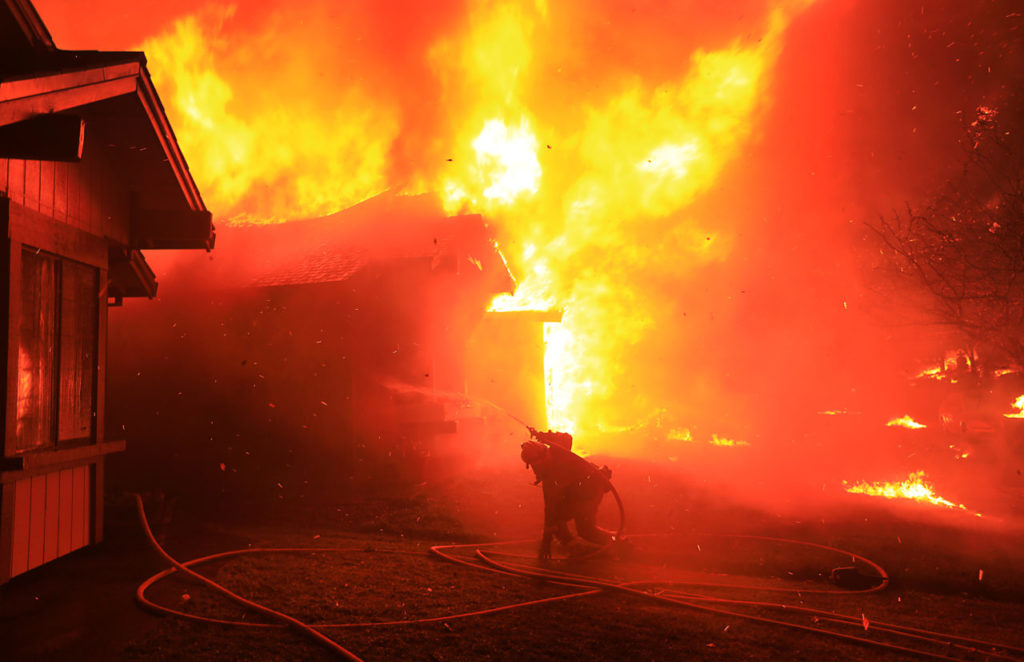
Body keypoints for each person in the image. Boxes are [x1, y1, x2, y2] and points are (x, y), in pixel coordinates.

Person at [521, 427, 615, 560]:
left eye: (538, 464)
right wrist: (546, 540)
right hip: (579, 489)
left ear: (544, 456)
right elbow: (550, 511)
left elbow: (566, 438)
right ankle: (576, 548)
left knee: (586, 530)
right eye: (533, 465)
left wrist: (545, 435)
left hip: (590, 489)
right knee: (557, 519)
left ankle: (619, 545)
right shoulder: (553, 461)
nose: (537, 468)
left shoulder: (558, 457)